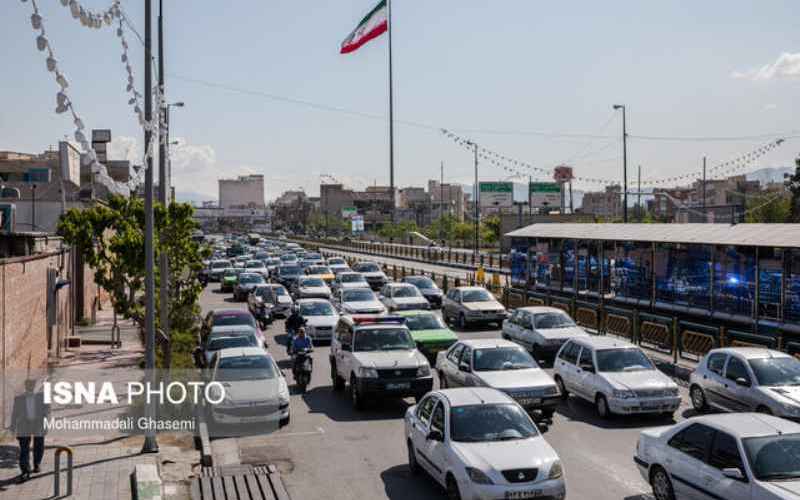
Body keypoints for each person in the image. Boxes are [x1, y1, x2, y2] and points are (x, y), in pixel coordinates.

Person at [10, 378, 49, 483]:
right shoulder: (19, 398)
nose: (31, 388)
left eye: (33, 386)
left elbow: (47, 411)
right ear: (26, 387)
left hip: (38, 424)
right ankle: (25, 471)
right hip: (24, 425)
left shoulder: (42, 396)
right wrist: (13, 427)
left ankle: (37, 464)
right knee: (24, 449)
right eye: (29, 386)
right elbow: (15, 413)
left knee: (39, 445)